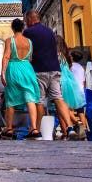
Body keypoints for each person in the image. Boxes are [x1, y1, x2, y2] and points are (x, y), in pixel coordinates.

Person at [23, 10, 77, 139]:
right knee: (58, 97)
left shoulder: (28, 32)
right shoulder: (50, 32)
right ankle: (70, 128)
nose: (26, 23)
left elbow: (27, 52)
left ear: (30, 19)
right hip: (55, 69)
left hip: (39, 70)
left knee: (39, 100)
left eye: (26, 21)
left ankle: (36, 131)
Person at [0, 18, 41, 139]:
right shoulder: (29, 42)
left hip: (13, 69)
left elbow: (6, 57)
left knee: (11, 100)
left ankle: (9, 128)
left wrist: (3, 72)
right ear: (23, 28)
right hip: (27, 69)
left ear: (12, 28)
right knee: (30, 98)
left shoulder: (10, 41)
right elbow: (30, 58)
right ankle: (33, 128)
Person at [56, 34, 86, 140]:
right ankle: (73, 128)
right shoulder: (66, 56)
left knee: (59, 107)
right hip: (70, 83)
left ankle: (68, 130)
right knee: (64, 107)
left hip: (60, 81)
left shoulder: (56, 56)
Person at [69, 49, 90, 134]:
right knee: (81, 112)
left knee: (67, 109)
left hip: (72, 92)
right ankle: (84, 131)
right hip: (81, 92)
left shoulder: (70, 67)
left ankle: (77, 124)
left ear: (72, 57)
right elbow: (84, 82)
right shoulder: (82, 68)